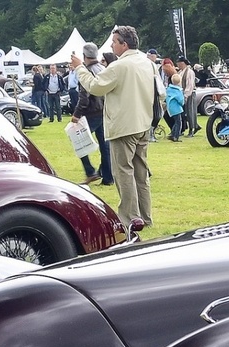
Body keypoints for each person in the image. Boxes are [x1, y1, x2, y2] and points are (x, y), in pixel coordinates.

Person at [73, 25, 155, 226]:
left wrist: (79, 68)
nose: (111, 45)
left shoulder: (119, 66)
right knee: (141, 174)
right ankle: (145, 216)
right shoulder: (146, 63)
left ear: (123, 44)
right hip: (143, 123)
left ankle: (130, 218)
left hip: (124, 126)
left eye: (114, 42)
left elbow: (95, 87)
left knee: (124, 172)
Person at [72, 43, 113, 186]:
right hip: (104, 111)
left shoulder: (86, 71)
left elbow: (84, 96)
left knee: (78, 140)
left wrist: (77, 114)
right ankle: (108, 177)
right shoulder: (103, 68)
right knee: (105, 145)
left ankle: (90, 171)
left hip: (91, 112)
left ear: (84, 56)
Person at [180, 59, 199, 136]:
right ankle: (195, 126)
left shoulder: (190, 72)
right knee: (185, 113)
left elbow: (190, 85)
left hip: (190, 94)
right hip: (184, 93)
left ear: (182, 63)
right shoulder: (181, 72)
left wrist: (186, 95)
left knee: (190, 112)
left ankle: (192, 128)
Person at [166, 73, 185, 141]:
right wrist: (182, 103)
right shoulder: (178, 90)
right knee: (179, 123)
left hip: (170, 108)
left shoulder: (168, 89)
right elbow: (181, 100)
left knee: (176, 122)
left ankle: (172, 134)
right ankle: (175, 136)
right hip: (176, 108)